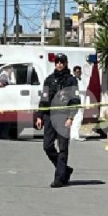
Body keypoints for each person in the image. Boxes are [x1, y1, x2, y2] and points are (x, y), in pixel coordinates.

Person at [35, 53, 80, 188]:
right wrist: (39, 116)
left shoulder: (71, 81)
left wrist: (71, 117)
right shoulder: (49, 79)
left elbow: (75, 100)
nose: (59, 64)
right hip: (50, 116)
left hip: (63, 117)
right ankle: (65, 170)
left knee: (63, 148)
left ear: (66, 63)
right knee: (47, 146)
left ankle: (59, 178)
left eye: (62, 62)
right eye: (57, 62)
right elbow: (44, 99)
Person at [70, 65, 87, 141]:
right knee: (77, 117)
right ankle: (74, 135)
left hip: (82, 100)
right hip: (77, 101)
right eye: (77, 72)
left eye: (79, 72)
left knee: (79, 118)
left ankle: (74, 134)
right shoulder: (73, 80)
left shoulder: (82, 80)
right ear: (74, 72)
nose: (78, 73)